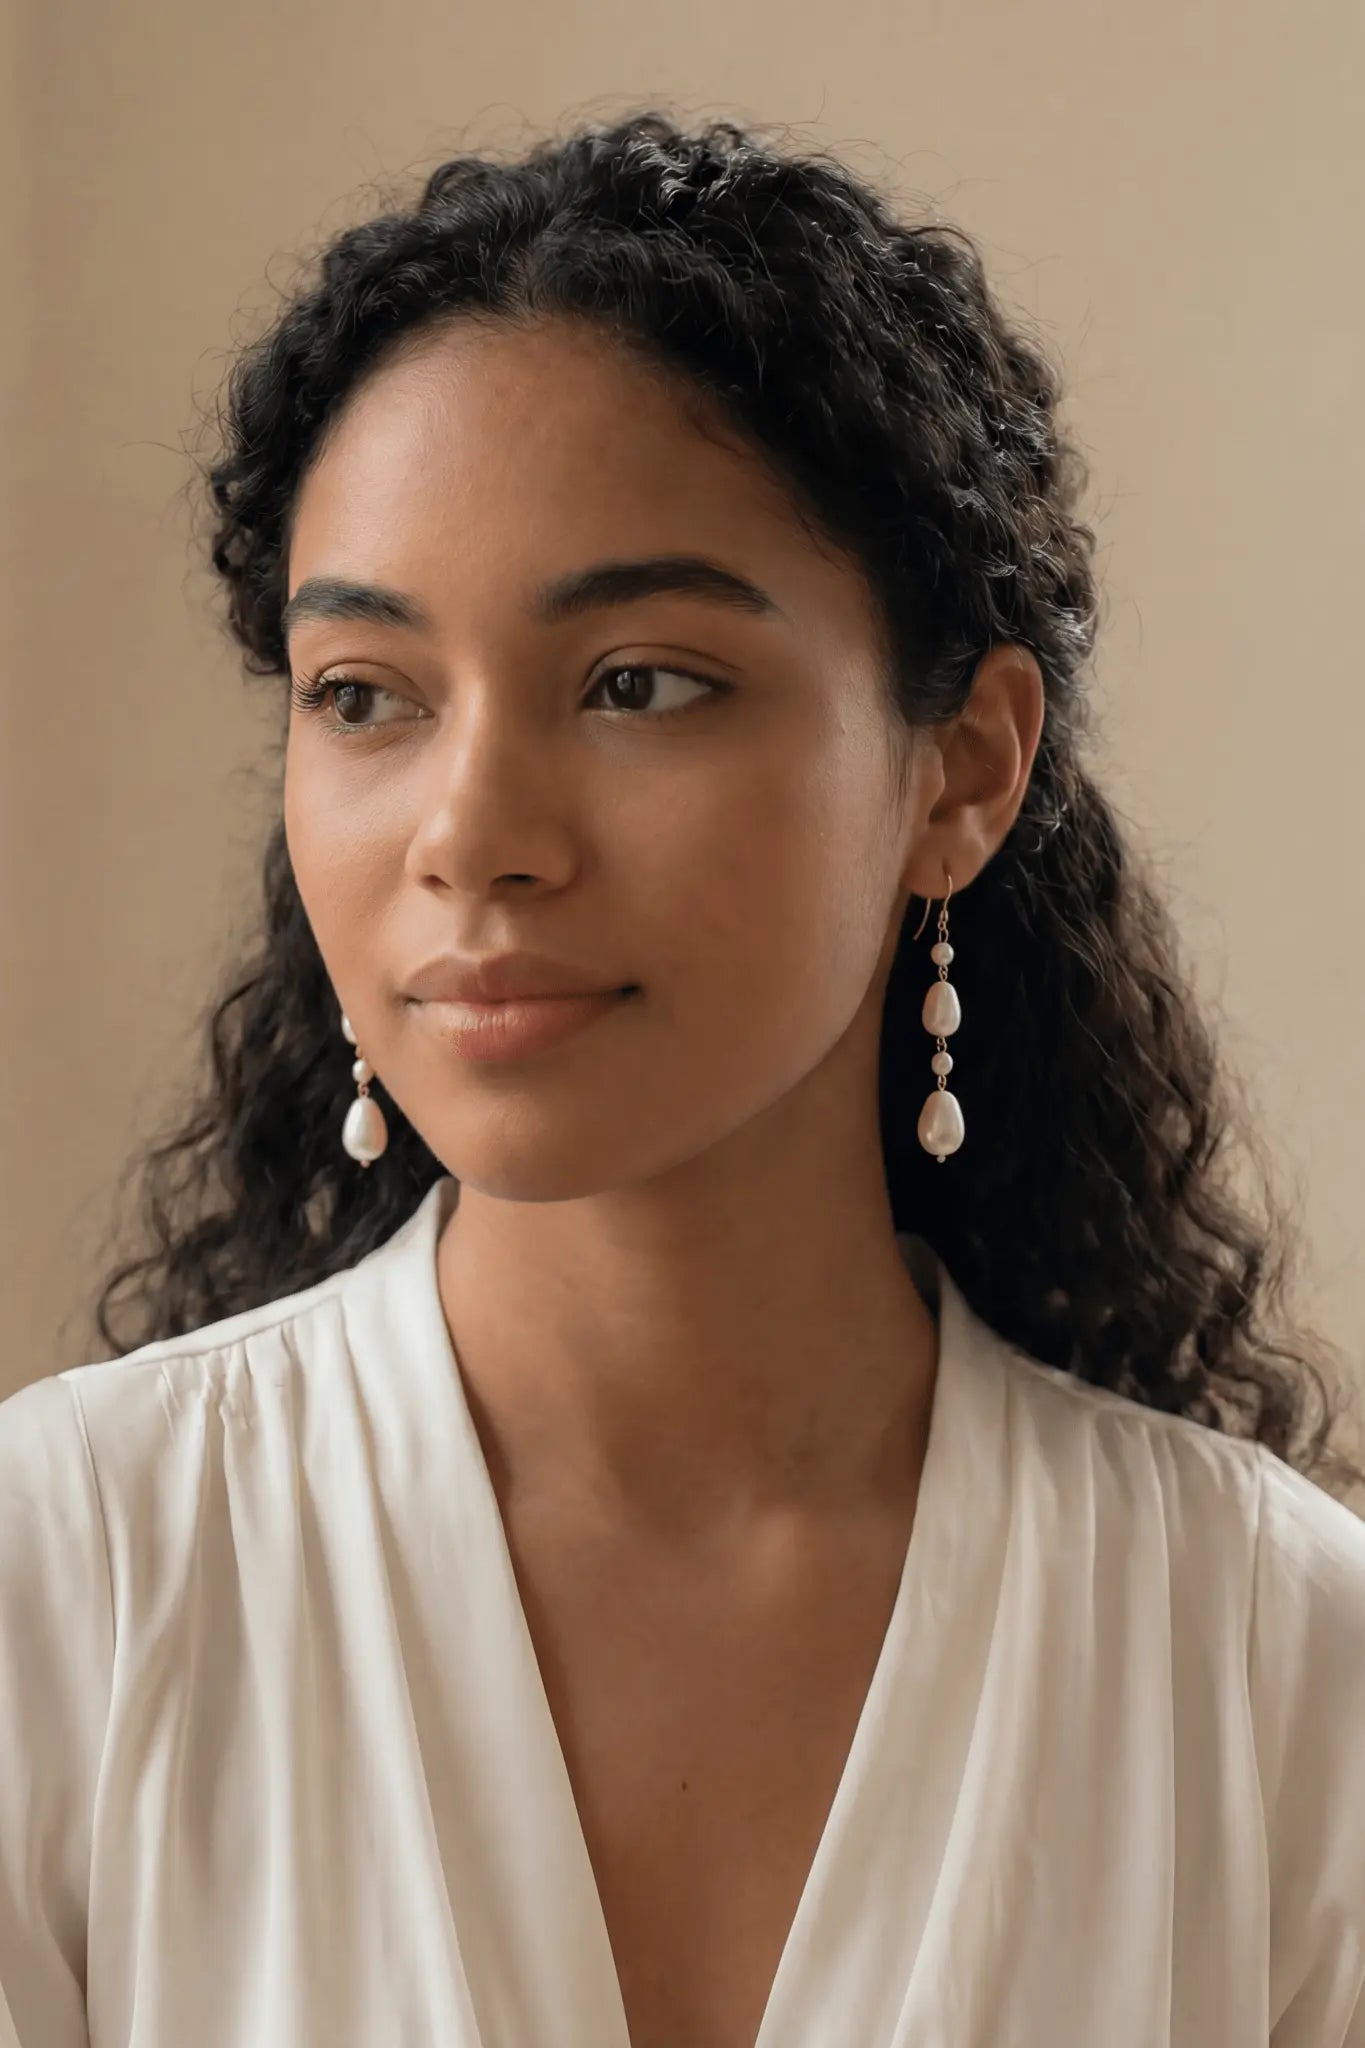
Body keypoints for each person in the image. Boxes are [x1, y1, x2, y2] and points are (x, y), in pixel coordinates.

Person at [2, 107, 1362, 2048]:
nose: (469, 834)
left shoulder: (1274, 1671)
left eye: (638, 680)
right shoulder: (61, 1591)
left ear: (961, 766)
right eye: (365, 696)